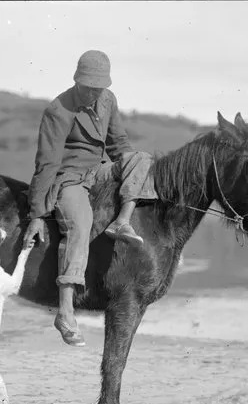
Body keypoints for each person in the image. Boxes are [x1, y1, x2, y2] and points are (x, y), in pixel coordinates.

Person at [23, 50, 157, 347]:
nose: (93, 93)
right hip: (69, 177)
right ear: (77, 80)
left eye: (98, 87)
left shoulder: (108, 99)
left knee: (142, 158)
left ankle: (122, 222)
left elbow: (118, 144)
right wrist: (37, 214)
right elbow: (46, 165)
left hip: (99, 171)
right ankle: (66, 311)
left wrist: (131, 170)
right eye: (88, 87)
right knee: (79, 226)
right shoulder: (58, 110)